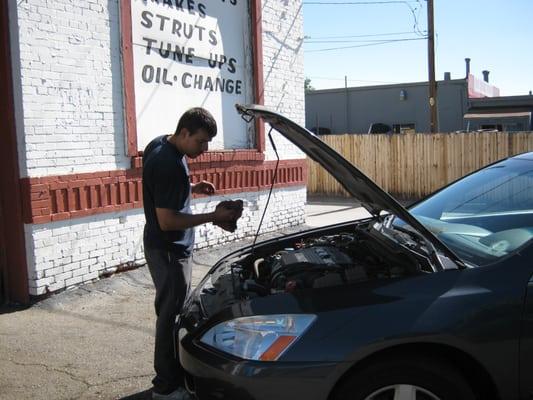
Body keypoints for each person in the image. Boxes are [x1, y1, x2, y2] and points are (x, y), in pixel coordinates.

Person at [142, 107, 242, 400]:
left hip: (165, 247)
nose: (204, 148)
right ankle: (165, 386)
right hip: (170, 250)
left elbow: (161, 189)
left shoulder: (160, 144)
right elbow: (167, 220)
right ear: (184, 133)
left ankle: (170, 375)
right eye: (200, 141)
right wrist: (213, 216)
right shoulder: (167, 163)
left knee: (171, 312)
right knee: (170, 317)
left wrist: (191, 187)